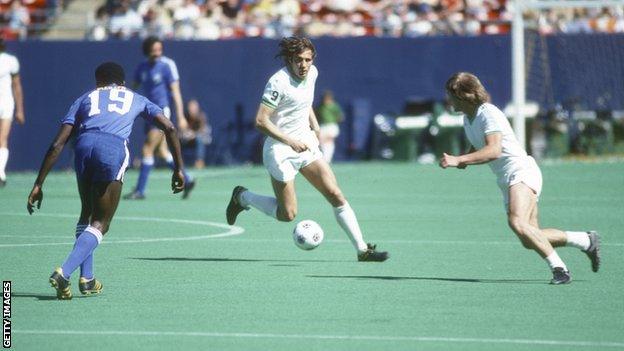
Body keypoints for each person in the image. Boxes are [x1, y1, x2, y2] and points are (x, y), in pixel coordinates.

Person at [27, 62, 185, 300]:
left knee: (87, 213)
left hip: (82, 146)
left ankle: (87, 279)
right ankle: (64, 272)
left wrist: (39, 183)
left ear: (98, 82)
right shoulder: (136, 97)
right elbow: (170, 128)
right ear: (122, 82)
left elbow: (57, 143)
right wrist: (178, 169)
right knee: (102, 222)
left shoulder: (85, 97)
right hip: (112, 148)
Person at [226, 37, 388, 262]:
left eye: (308, 60)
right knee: (288, 214)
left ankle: (363, 250)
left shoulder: (312, 73)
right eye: (298, 60)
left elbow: (304, 101)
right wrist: (289, 140)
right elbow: (261, 121)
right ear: (290, 59)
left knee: (335, 193)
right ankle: (242, 197)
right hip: (280, 150)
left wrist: (314, 123)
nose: (303, 65)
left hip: (306, 143)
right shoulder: (278, 82)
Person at [439, 72, 600, 284]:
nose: (447, 100)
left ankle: (560, 269)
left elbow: (494, 150)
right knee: (529, 236)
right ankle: (585, 240)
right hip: (506, 178)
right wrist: (465, 160)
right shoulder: (468, 119)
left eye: (450, 95)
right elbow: (479, 145)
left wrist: (459, 159)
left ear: (463, 95)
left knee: (517, 222)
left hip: (520, 170)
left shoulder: (488, 112)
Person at [124, 36, 195, 200]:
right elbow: (132, 90)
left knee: (147, 149)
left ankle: (140, 190)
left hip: (161, 112)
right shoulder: (141, 68)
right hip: (148, 113)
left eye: (159, 49)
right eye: (154, 50)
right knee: (162, 152)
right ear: (147, 51)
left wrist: (181, 116)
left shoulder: (166, 66)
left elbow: (176, 92)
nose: (157, 53)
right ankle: (188, 179)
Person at [0, 38, 25, 187]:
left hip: (6, 104)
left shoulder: (11, 61)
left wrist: (20, 109)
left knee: (2, 138)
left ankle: (1, 172)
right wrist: (20, 110)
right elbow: (17, 86)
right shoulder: (11, 60)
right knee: (2, 139)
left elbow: (16, 85)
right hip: (7, 104)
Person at [180, 98, 212, 169]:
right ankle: (178, 162)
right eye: (190, 107)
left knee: (199, 139)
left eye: (193, 107)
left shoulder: (201, 116)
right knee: (176, 141)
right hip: (186, 140)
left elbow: (203, 131)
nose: (191, 109)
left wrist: (193, 134)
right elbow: (182, 129)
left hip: (199, 139)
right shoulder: (185, 117)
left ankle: (199, 161)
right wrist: (185, 133)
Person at [316, 90, 344, 163]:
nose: (326, 100)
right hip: (322, 126)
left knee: (329, 142)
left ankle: (327, 159)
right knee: (320, 142)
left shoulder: (334, 106)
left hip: (331, 126)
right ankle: (322, 160)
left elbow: (340, 117)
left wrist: (333, 122)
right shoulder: (320, 107)